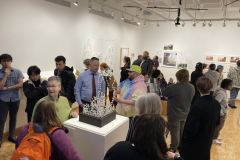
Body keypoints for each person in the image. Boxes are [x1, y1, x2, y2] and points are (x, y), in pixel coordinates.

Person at [15, 100, 83, 160]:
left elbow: (18, 147)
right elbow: (72, 157)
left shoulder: (26, 127)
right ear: (54, 114)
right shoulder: (57, 133)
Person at [104, 114, 184, 160]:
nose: (165, 136)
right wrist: (176, 157)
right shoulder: (159, 157)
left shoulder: (119, 148)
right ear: (158, 136)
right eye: (165, 132)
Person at [180, 77, 221, 160]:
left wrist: (185, 137)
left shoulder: (197, 105)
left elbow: (191, 128)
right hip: (207, 140)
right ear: (211, 87)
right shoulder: (216, 104)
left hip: (194, 144)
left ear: (198, 88)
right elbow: (217, 122)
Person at [162, 69, 195, 152]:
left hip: (174, 114)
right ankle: (180, 146)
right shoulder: (191, 87)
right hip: (185, 113)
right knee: (181, 131)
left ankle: (173, 148)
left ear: (178, 77)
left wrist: (169, 84)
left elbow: (164, 92)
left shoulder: (175, 87)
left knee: (174, 132)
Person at [0, 54, 24, 147]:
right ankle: (0, 139)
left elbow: (21, 84)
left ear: (11, 61)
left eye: (8, 60)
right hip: (3, 99)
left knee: (13, 118)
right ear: (1, 62)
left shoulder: (17, 72)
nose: (6, 63)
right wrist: (5, 75)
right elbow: (1, 87)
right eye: (4, 60)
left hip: (15, 98)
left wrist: (8, 88)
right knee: (1, 120)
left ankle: (11, 136)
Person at [213, 79, 235, 145]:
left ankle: (215, 136)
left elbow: (223, 101)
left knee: (220, 126)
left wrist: (229, 101)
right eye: (230, 85)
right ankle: (214, 138)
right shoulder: (221, 93)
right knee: (218, 126)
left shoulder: (224, 91)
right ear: (226, 85)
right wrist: (221, 112)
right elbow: (216, 103)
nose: (232, 87)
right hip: (220, 113)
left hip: (223, 111)